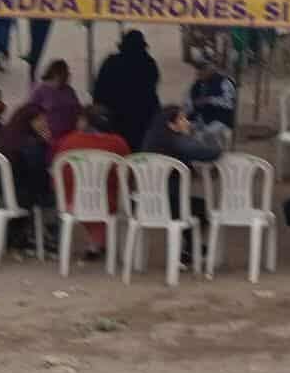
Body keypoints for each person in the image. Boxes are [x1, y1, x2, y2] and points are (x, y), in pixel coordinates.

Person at [141, 106, 223, 266]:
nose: (187, 122)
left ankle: (191, 249)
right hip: (169, 204)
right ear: (171, 125)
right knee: (202, 208)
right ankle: (192, 248)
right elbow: (209, 152)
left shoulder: (151, 140)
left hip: (145, 203)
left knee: (192, 206)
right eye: (182, 119)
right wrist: (215, 145)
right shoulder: (176, 141)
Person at [51, 105, 132, 257]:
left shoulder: (69, 141)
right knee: (105, 196)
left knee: (83, 194)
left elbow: (57, 171)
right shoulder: (118, 143)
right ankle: (96, 243)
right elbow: (126, 176)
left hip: (70, 202)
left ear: (84, 121)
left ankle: (95, 243)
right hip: (106, 203)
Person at [0, 102, 57, 253]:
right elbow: (40, 178)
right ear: (28, 121)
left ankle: (20, 235)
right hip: (17, 197)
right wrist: (45, 145)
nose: (44, 124)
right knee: (55, 197)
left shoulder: (2, 135)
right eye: (40, 120)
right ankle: (51, 241)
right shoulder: (31, 144)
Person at [93, 29, 161, 151]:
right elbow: (153, 87)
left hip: (114, 116)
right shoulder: (148, 63)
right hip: (141, 116)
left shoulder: (111, 62)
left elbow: (99, 90)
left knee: (116, 151)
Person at [30, 60, 83, 143]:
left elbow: (78, 110)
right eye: (64, 75)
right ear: (55, 75)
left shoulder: (69, 90)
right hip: (49, 139)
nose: (67, 78)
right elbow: (30, 113)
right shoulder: (39, 90)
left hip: (69, 137)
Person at [186, 59, 237, 137]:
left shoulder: (225, 82)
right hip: (201, 118)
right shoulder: (198, 84)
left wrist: (209, 100)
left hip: (220, 119)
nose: (199, 74)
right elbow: (188, 101)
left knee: (205, 134)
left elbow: (229, 104)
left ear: (211, 70)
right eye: (198, 71)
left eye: (202, 71)